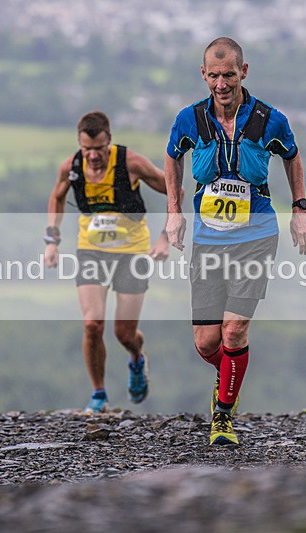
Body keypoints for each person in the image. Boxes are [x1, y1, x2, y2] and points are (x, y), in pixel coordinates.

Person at [164, 37, 306, 445]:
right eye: (214, 76)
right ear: (203, 74)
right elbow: (172, 157)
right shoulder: (189, 119)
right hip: (208, 240)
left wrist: (300, 209)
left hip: (256, 235)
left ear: (243, 72)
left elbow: (292, 156)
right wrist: (173, 210)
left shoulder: (269, 119)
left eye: (229, 75)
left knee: (234, 330)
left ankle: (223, 417)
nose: (221, 84)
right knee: (207, 342)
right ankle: (230, 370)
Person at [45, 111, 172, 414]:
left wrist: (166, 236)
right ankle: (98, 394)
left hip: (132, 253)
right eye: (87, 149)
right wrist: (52, 241)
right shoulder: (72, 167)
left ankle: (137, 358)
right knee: (92, 324)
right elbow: (57, 197)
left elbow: (174, 191)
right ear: (80, 143)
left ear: (109, 141)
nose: (93, 156)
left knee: (123, 334)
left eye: (99, 149)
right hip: (91, 251)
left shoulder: (131, 163)